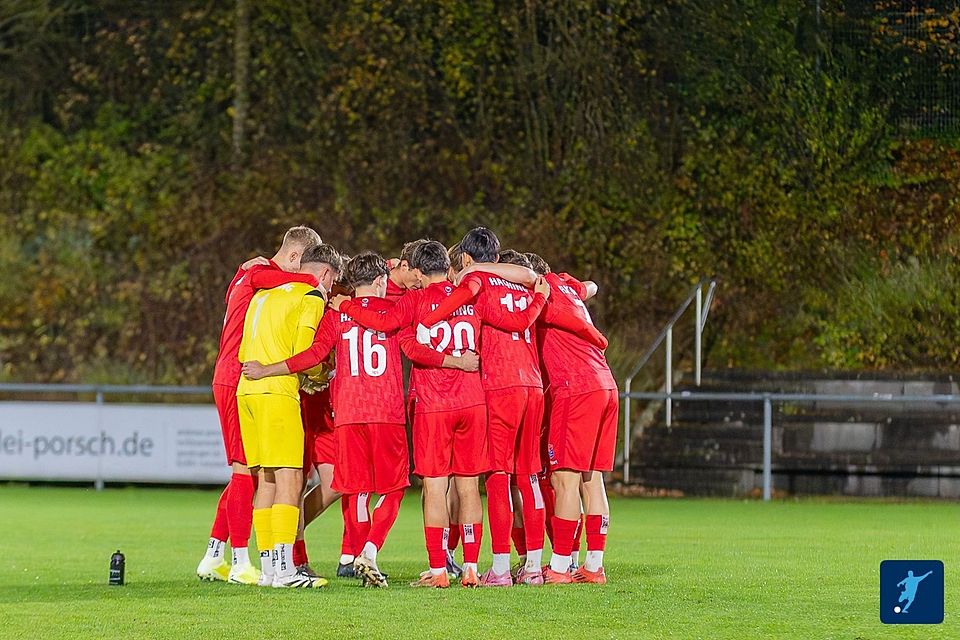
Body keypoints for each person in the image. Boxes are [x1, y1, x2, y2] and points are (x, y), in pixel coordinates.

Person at [333, 241, 490, 587]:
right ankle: (471, 569)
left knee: (434, 488)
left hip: (434, 405)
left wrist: (346, 304)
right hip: (473, 401)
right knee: (468, 489)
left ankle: (437, 572)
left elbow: (390, 327)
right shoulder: (470, 293)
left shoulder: (414, 301)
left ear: (417, 272)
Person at [420, 228, 551, 586]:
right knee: (529, 477)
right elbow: (531, 279)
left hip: (501, 386)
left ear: (465, 258)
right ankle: (536, 566)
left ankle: (501, 568)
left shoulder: (479, 282)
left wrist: (428, 321)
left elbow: (465, 301)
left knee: (497, 477)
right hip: (533, 384)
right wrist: (537, 300)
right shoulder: (522, 283)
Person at [197, 225, 321, 585]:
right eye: (303, 266)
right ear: (296, 257)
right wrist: (318, 284)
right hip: (241, 374)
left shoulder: (247, 273)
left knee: (249, 473)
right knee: (244, 472)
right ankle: (239, 562)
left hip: (234, 373)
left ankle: (214, 554)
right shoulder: (260, 274)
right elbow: (297, 281)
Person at [236, 243, 341, 588]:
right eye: (333, 281)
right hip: (276, 390)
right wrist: (318, 377)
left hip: (246, 391)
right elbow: (306, 354)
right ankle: (285, 569)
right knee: (290, 479)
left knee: (266, 480)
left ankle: (269, 570)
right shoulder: (309, 295)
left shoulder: (266, 294)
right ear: (325, 274)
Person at [527, 253, 615, 585]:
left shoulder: (542, 291)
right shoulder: (565, 284)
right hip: (605, 383)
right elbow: (590, 285)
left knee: (565, 480)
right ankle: (593, 566)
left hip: (575, 389)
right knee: (592, 480)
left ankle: (561, 567)